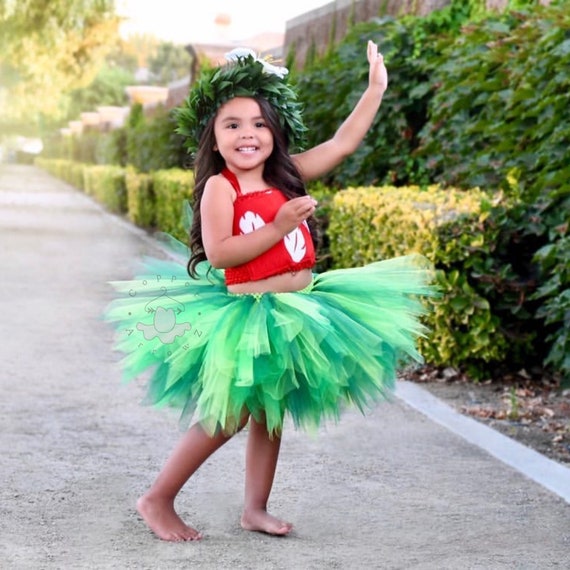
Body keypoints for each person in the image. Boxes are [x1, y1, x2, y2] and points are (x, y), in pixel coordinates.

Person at [105, 41, 435, 542]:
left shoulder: (287, 174)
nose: (247, 133)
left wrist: (374, 90)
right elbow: (221, 254)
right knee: (229, 415)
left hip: (298, 307)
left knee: (270, 412)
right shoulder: (223, 187)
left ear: (276, 132)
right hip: (249, 314)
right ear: (213, 139)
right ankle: (158, 497)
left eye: (259, 123)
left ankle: (254, 507)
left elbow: (343, 144)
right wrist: (280, 224)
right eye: (231, 124)